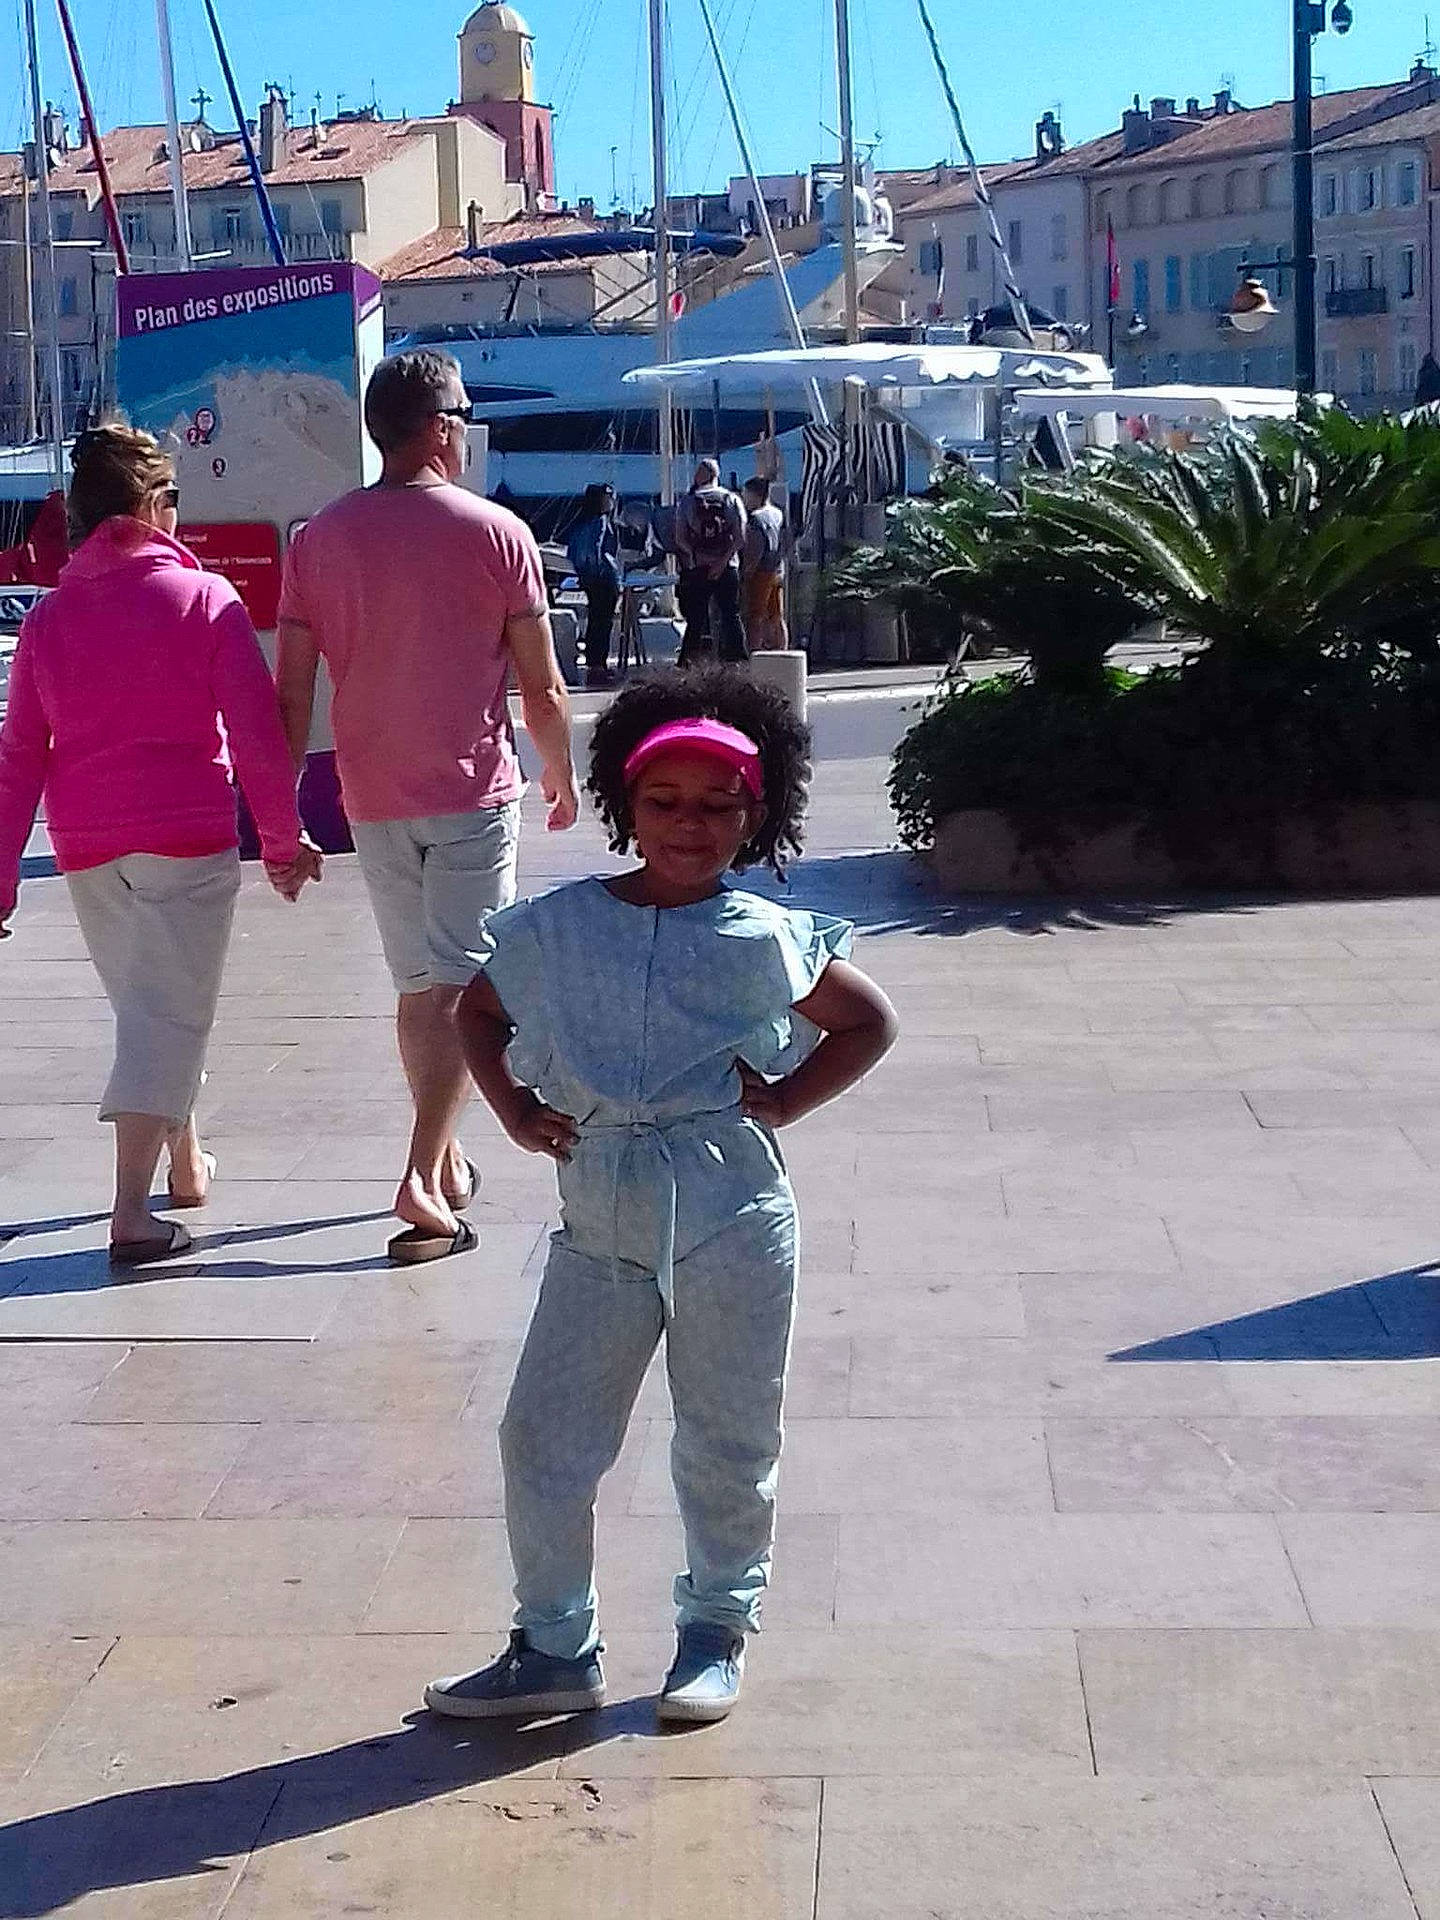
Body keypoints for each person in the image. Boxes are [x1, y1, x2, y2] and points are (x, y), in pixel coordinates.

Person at [425, 666, 898, 1726]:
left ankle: (716, 1628)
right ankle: (554, 1644)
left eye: (719, 806)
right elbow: (477, 1011)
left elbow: (868, 1021)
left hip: (733, 1212)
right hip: (601, 1213)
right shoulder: (558, 927)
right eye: (665, 802)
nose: (690, 825)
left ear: (754, 815)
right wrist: (512, 1111)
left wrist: (785, 1100)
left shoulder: (764, 935)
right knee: (542, 1434)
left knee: (727, 1431)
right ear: (625, 808)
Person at [275, 349, 578, 1265]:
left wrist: (281, 812)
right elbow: (542, 688)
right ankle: (418, 1175)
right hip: (470, 789)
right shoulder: (498, 534)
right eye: (466, 416)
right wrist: (561, 775)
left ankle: (443, 1160)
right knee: (463, 987)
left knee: (421, 988)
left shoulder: (318, 540)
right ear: (443, 427)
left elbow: (292, 694)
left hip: (370, 796)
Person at [0, 422, 319, 1265]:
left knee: (150, 1008)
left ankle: (185, 1161)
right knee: (166, 1014)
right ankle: (131, 1213)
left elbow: (18, 757)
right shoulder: (206, 599)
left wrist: (2, 880)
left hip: (85, 844)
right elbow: (255, 736)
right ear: (150, 507)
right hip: (184, 834)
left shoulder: (48, 619)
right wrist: (282, 842)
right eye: (174, 499)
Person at [674, 458, 748, 666]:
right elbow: (740, 537)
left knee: (696, 618)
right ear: (717, 475)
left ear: (701, 475)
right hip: (728, 566)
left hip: (698, 567)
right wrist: (722, 562)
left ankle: (688, 663)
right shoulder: (731, 499)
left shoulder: (688, 502)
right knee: (731, 614)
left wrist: (697, 557)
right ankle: (738, 661)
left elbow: (680, 538)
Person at [565, 482, 623, 688]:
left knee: (594, 620)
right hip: (604, 578)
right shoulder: (601, 521)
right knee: (603, 622)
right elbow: (598, 548)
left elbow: (572, 552)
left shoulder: (579, 523)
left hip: (587, 578)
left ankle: (593, 664)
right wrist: (605, 570)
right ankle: (599, 665)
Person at [739, 477, 789, 652]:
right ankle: (781, 648)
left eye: (746, 494)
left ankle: (754, 651)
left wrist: (747, 572)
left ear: (755, 495)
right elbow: (786, 540)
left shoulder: (755, 518)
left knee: (755, 615)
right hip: (777, 569)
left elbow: (755, 548)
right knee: (776, 614)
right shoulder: (778, 513)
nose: (744, 499)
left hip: (760, 571)